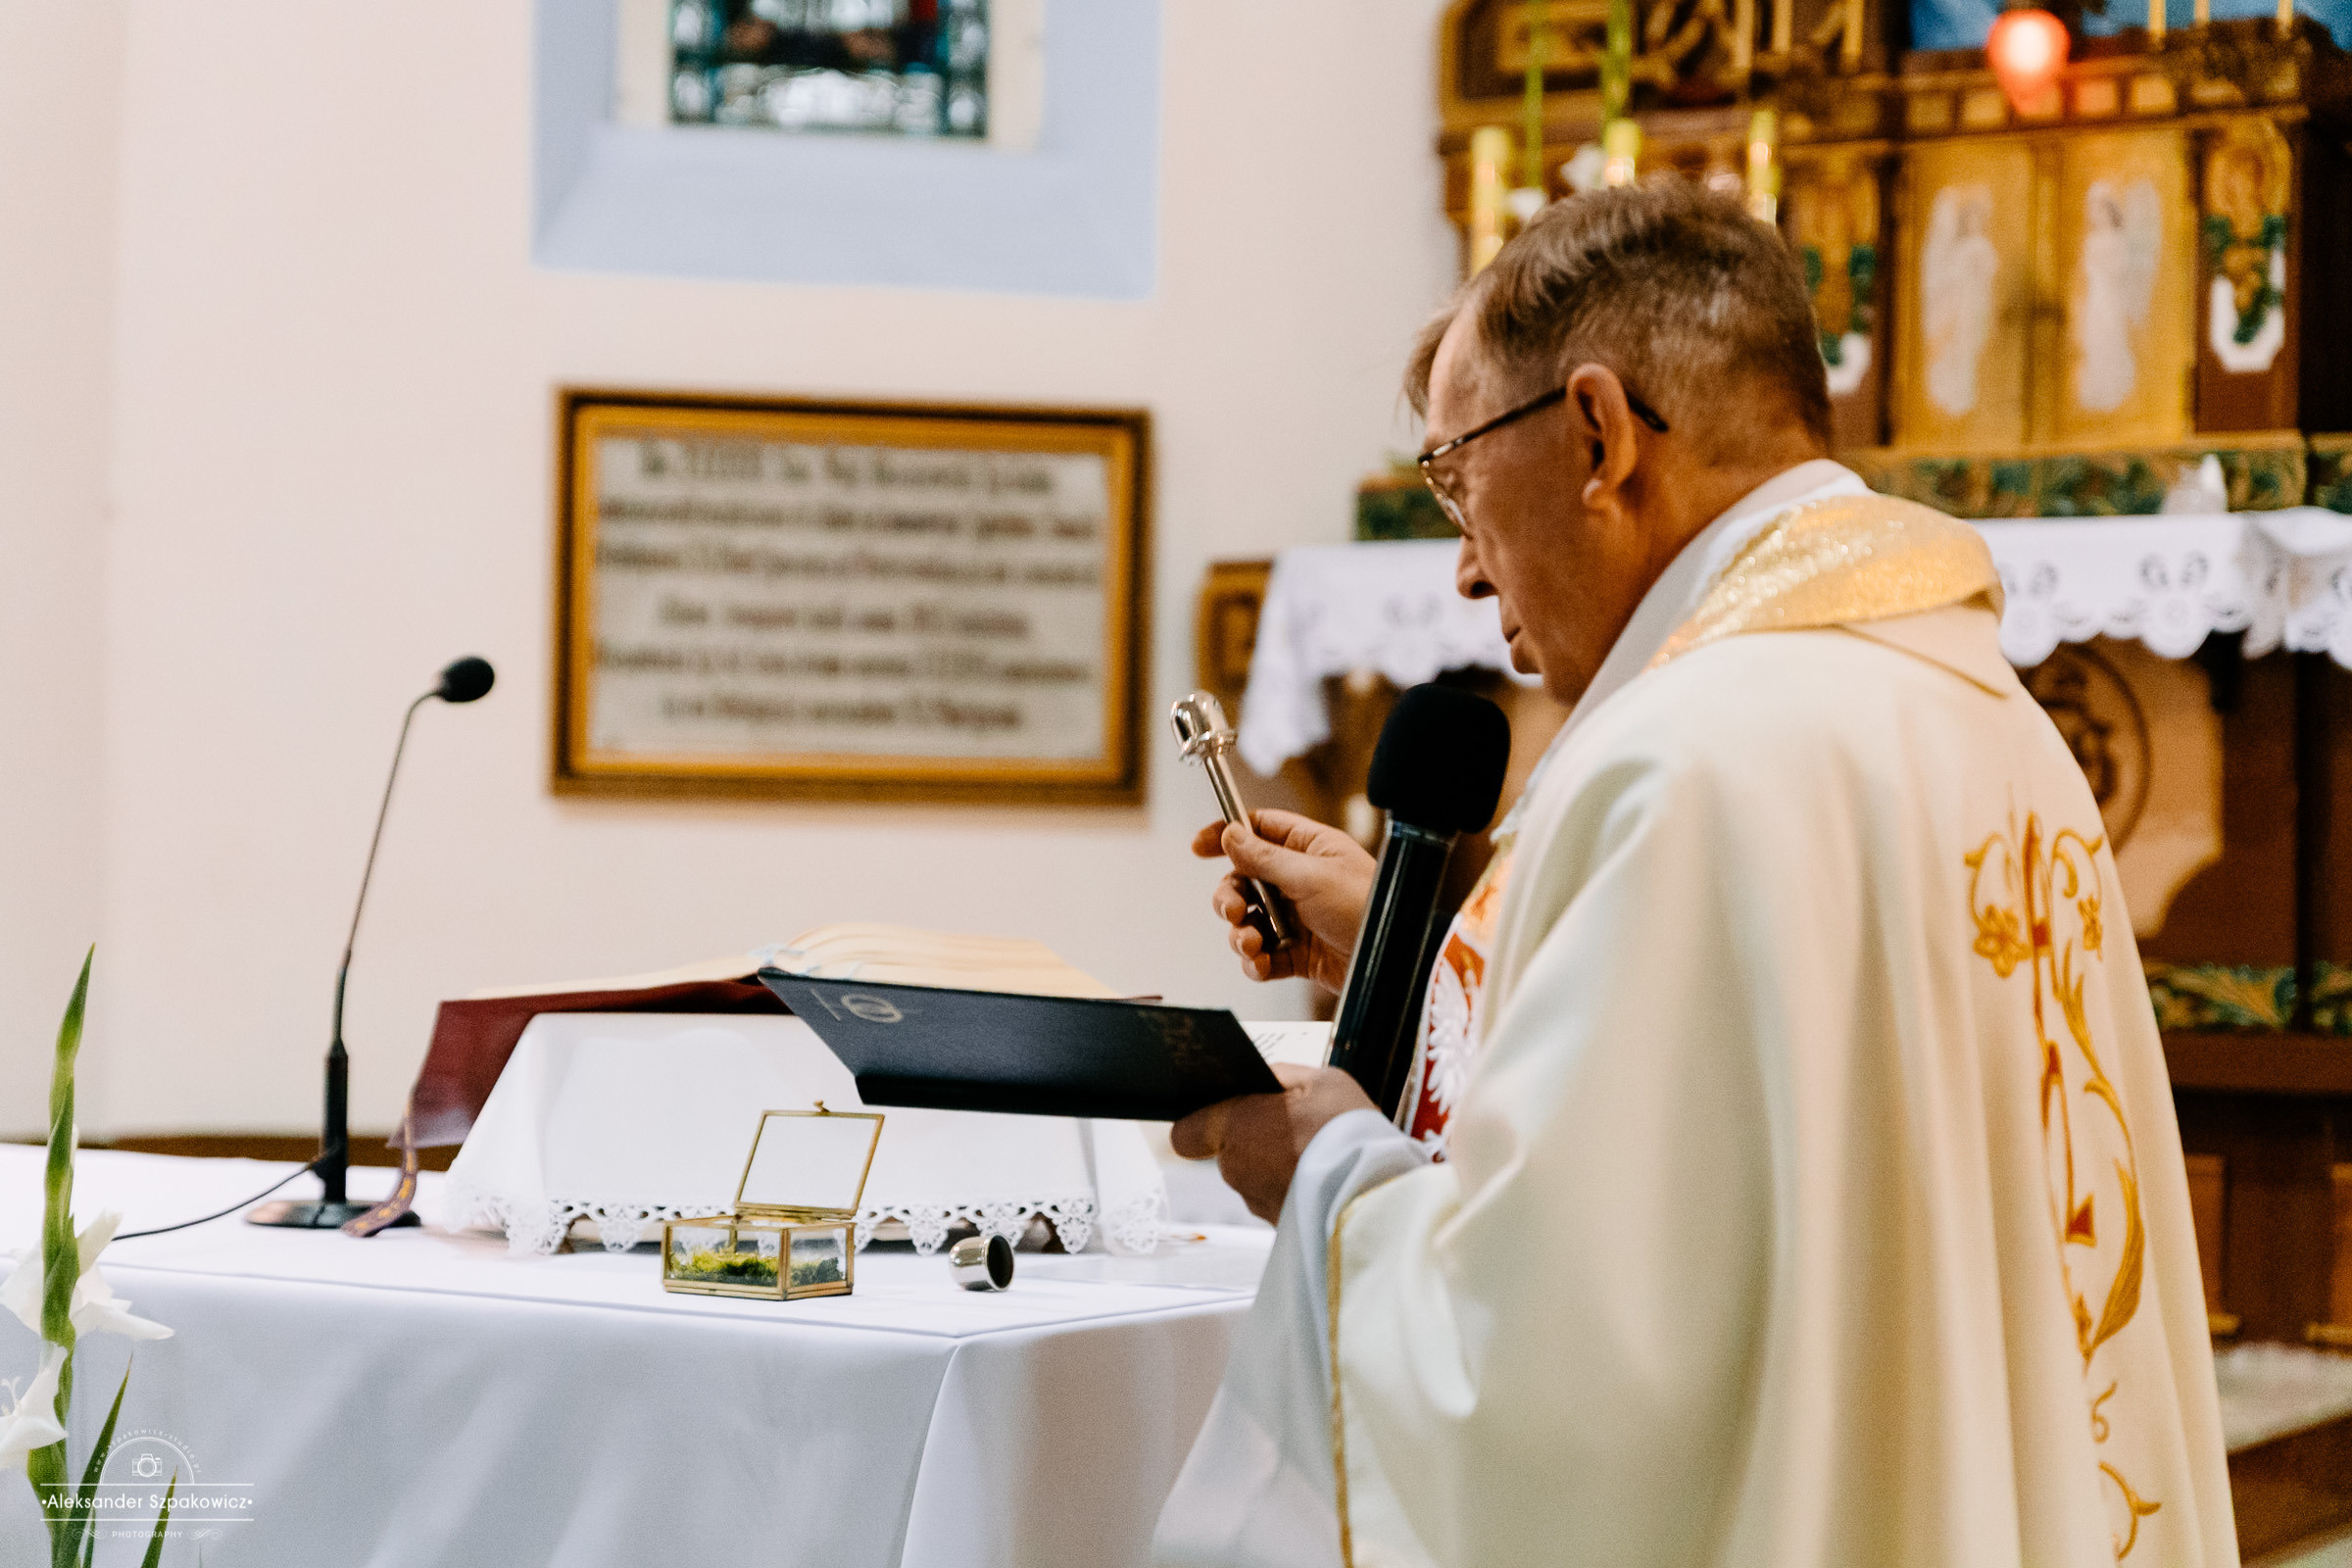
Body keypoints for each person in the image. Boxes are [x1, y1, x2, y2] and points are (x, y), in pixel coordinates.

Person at [1152, 181, 2232, 1568]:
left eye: (1456, 480)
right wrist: (1416, 955)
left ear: (1599, 436)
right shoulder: (1985, 711)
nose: (1469, 572)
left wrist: (1323, 1172)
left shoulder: (1681, 758)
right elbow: (1791, 1123)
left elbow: (1547, 1376)